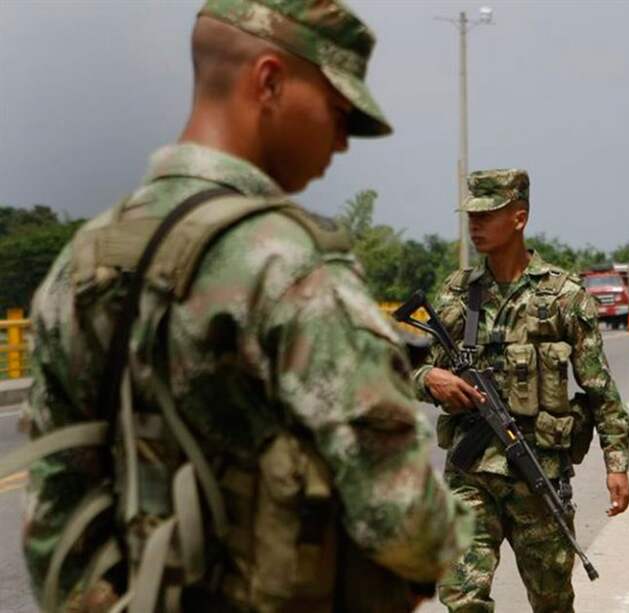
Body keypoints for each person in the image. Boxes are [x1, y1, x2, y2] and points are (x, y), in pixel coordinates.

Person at [21, 1, 471, 611]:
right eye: (337, 110)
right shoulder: (290, 266)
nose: (342, 140)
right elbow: (408, 523)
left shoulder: (80, 263)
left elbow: (53, 526)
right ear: (269, 81)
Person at [412, 169, 629, 612]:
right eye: (471, 216)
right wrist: (431, 380)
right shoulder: (457, 293)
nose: (475, 225)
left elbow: (600, 389)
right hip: (470, 474)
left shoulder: (564, 296)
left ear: (519, 218)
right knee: (461, 596)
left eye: (486, 215)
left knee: (552, 601)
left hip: (538, 473)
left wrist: (617, 464)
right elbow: (419, 368)